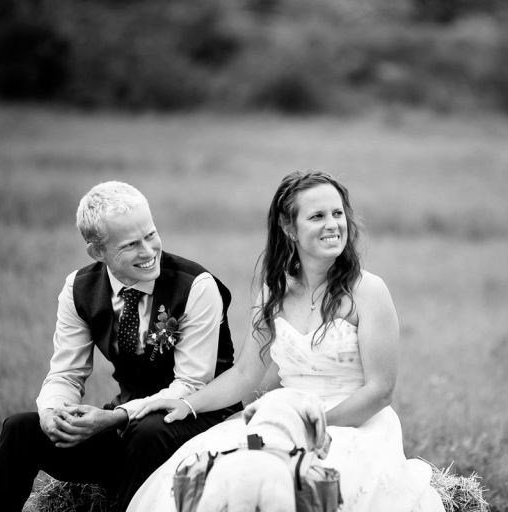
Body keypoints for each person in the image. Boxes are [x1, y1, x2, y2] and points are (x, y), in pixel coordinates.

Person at [127, 171, 445, 511]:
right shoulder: (274, 291)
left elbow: (379, 391)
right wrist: (189, 404)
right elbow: (245, 375)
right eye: (317, 216)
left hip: (352, 425)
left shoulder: (369, 291)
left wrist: (306, 430)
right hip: (281, 417)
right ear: (289, 227)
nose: (333, 225)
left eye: (338, 214)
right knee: (210, 468)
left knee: (313, 481)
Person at [0, 181, 242, 512]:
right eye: (130, 245)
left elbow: (190, 385)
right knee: (21, 429)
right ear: (98, 252)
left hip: (198, 420)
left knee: (148, 432)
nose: (149, 250)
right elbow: (66, 373)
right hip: (128, 424)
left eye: (151, 234)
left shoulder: (196, 286)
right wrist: (54, 413)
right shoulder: (78, 288)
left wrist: (116, 419)